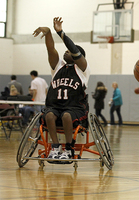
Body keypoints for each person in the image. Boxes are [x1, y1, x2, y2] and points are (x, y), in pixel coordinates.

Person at [33, 17, 90, 160]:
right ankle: (56, 147)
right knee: (49, 115)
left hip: (75, 107)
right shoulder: (58, 67)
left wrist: (60, 33)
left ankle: (69, 147)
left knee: (66, 115)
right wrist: (48, 33)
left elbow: (73, 49)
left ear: (78, 56)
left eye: (69, 52)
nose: (66, 52)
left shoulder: (83, 69)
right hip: (55, 106)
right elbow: (51, 49)